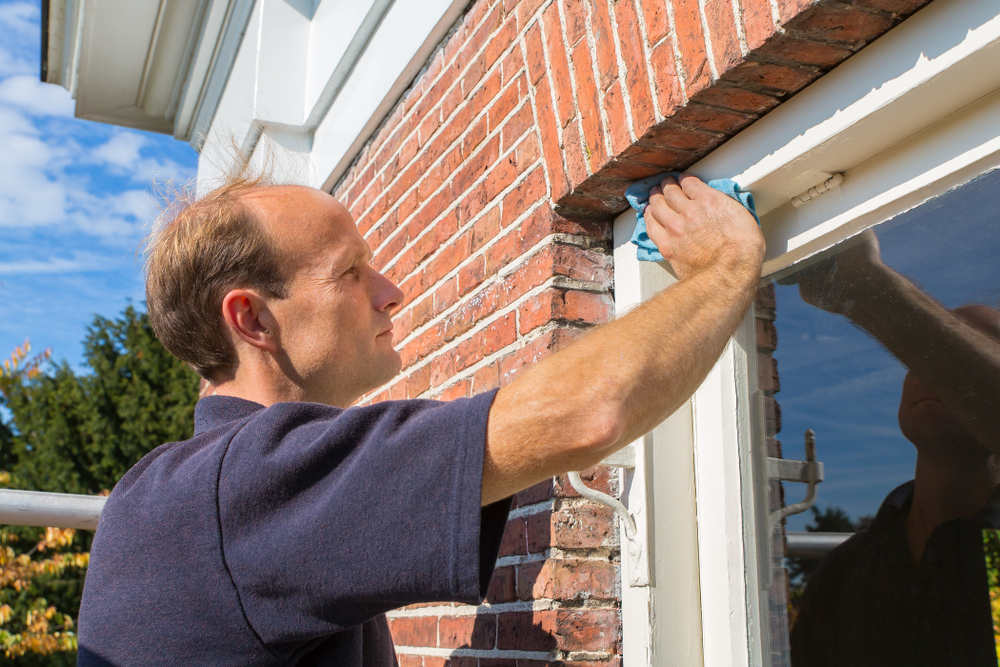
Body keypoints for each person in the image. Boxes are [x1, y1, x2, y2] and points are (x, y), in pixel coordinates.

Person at [75, 173, 765, 665]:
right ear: (252, 317)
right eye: (351, 272)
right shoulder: (245, 485)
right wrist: (726, 267)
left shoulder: (169, 491)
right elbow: (589, 411)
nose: (391, 291)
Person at [788, 230, 1000, 666]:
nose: (930, 369)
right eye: (922, 356)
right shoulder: (846, 572)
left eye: (951, 352)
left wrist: (865, 284)